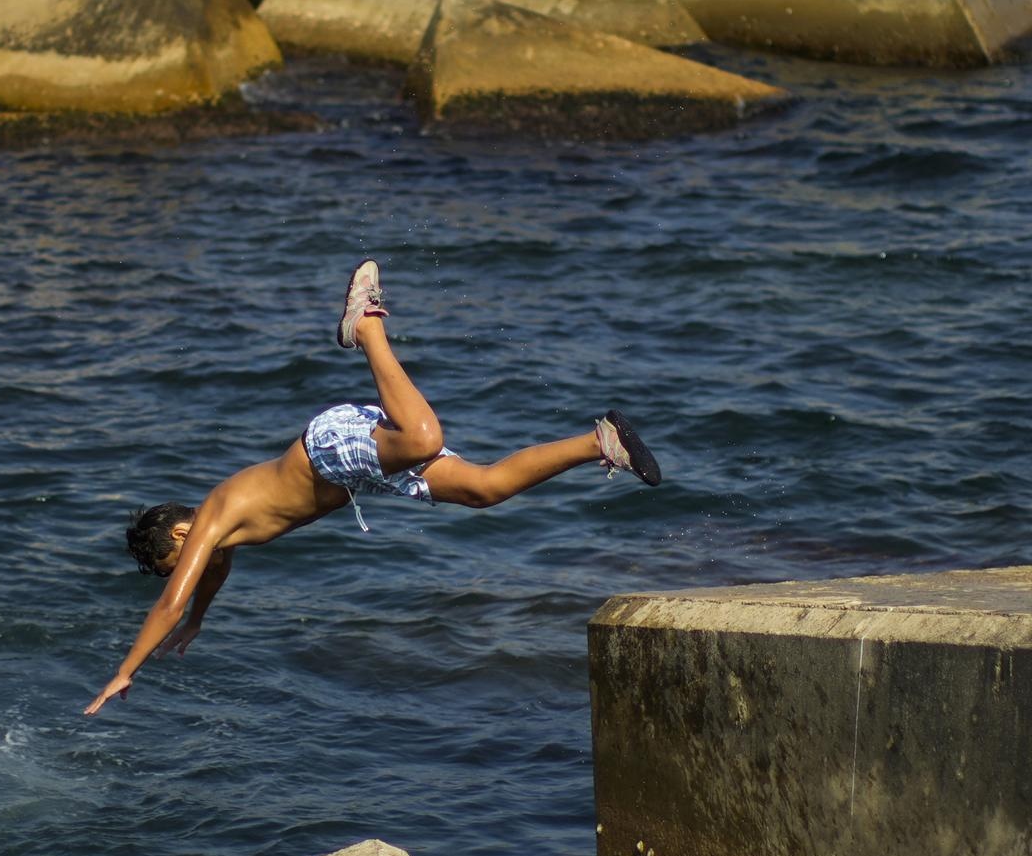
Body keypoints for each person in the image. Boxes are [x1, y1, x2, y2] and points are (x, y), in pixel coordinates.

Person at [86, 262, 662, 716]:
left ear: (181, 533)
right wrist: (200, 620)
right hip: (355, 474)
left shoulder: (212, 516)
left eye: (174, 560)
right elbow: (205, 580)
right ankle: (600, 443)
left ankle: (365, 325)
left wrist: (126, 669)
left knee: (424, 435)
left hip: (331, 449)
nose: (184, 569)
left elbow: (170, 599)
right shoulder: (217, 540)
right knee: (485, 490)